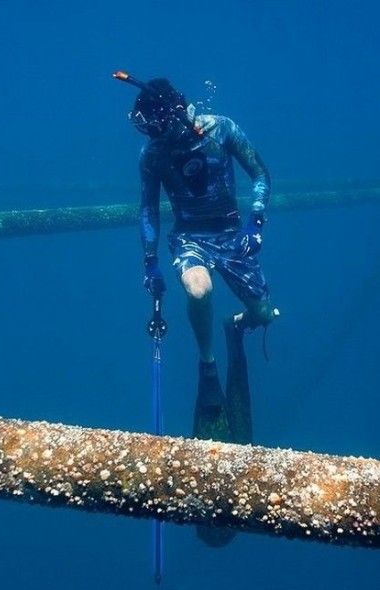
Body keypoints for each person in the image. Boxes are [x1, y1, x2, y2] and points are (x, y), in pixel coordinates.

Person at [121, 75, 277, 422]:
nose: (152, 135)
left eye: (155, 126)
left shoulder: (221, 130)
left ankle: (238, 323)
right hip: (190, 237)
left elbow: (261, 174)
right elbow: (148, 208)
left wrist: (256, 223)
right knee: (197, 288)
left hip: (233, 235)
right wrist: (150, 262)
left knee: (264, 315)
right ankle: (207, 365)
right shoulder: (152, 155)